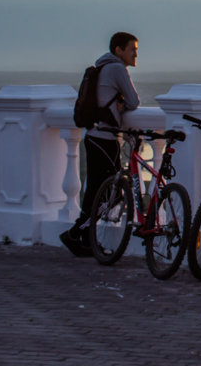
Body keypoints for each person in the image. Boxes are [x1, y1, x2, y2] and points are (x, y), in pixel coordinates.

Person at [59, 32, 142, 257]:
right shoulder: (116, 69)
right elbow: (134, 101)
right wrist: (123, 104)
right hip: (105, 139)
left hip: (94, 136)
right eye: (132, 48)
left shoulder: (102, 67)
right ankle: (77, 232)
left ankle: (84, 238)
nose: (136, 53)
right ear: (118, 50)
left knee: (97, 190)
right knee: (110, 193)